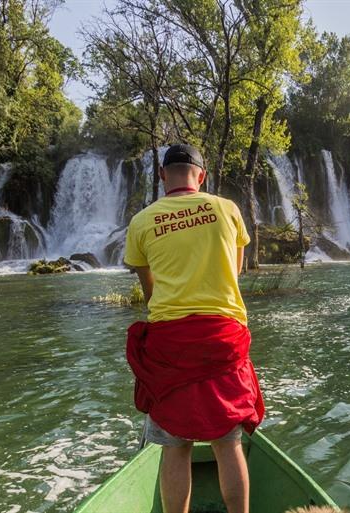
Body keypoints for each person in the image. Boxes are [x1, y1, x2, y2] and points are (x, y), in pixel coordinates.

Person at [123, 143, 264, 513]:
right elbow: (233, 275)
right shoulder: (227, 209)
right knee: (227, 442)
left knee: (175, 445)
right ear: (201, 176)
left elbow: (149, 290)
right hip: (222, 339)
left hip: (171, 347)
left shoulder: (142, 221)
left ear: (161, 175)